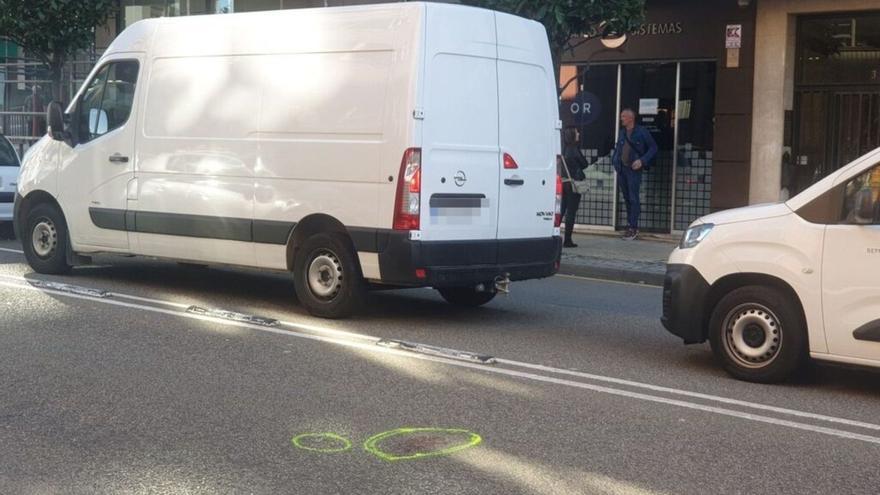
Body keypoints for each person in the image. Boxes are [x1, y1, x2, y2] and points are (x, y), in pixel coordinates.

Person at [612, 108, 657, 240]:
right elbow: (618, 149)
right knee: (626, 198)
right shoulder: (622, 132)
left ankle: (633, 227)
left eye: (623, 117)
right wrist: (615, 161)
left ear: (631, 118)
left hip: (633, 170)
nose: (621, 119)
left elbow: (653, 147)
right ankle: (629, 225)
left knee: (633, 198)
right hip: (622, 169)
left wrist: (642, 161)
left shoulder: (641, 132)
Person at [560, 127, 589, 248]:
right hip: (574, 183)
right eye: (576, 132)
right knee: (571, 211)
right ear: (572, 135)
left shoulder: (564, 149)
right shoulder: (574, 150)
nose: (578, 133)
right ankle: (567, 239)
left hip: (564, 182)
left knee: (562, 209)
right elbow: (584, 163)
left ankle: (553, 232)